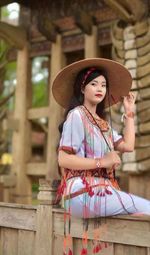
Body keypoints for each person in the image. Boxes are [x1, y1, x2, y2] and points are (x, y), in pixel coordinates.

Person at [52, 58, 150, 254]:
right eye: (94, 84)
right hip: (81, 190)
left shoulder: (102, 123)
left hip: (101, 192)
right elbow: (63, 159)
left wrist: (129, 113)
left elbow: (128, 146)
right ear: (82, 89)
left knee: (142, 213)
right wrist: (102, 161)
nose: (100, 88)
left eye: (104, 85)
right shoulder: (77, 114)